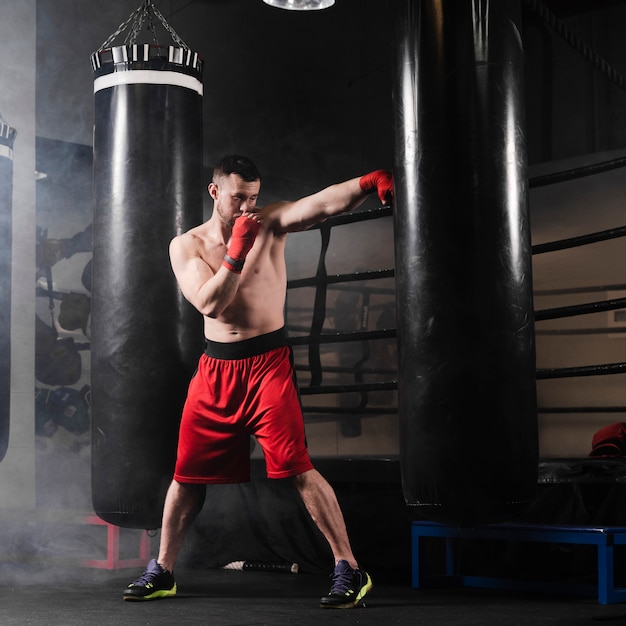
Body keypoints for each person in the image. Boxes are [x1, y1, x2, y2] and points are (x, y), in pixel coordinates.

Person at [122, 155, 393, 609]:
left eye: (253, 197)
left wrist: (367, 182)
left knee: (297, 467)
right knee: (186, 476)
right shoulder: (185, 246)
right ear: (214, 193)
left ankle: (350, 567)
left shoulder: (268, 223)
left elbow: (321, 204)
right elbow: (211, 305)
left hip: (268, 365)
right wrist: (235, 254)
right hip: (215, 372)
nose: (247, 207)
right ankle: (163, 570)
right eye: (237, 198)